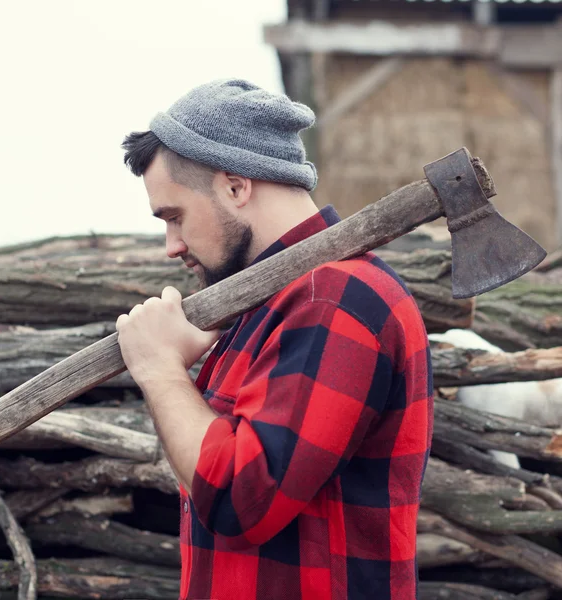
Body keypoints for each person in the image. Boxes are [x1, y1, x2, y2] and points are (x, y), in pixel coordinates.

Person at [116, 79, 433, 600]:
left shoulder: (334, 299)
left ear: (236, 186)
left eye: (175, 217)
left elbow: (240, 497)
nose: (171, 247)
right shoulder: (271, 304)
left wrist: (161, 370)